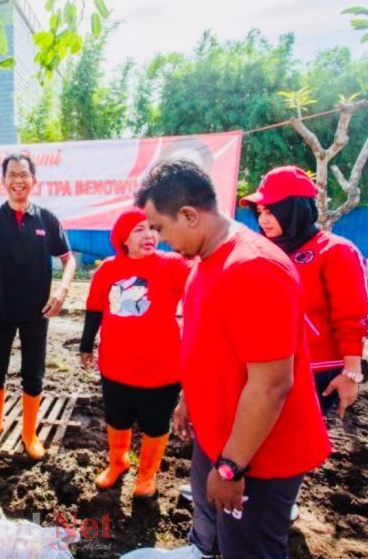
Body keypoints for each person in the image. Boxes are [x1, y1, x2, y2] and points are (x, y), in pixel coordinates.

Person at [132, 160, 330, 559]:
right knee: (210, 524)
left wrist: (231, 468)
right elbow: (209, 342)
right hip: (218, 433)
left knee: (250, 547)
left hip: (259, 455)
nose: (158, 238)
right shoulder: (204, 260)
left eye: (159, 227)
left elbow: (272, 384)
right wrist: (191, 398)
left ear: (189, 215)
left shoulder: (254, 268)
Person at [0, 153, 77, 460]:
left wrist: (61, 290)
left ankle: (29, 432)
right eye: (12, 175)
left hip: (38, 311)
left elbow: (68, 258)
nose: (18, 180)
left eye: (24, 174)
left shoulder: (47, 219)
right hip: (0, 309)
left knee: (33, 373)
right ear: (3, 181)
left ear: (34, 180)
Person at [241, 166, 368, 417]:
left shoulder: (335, 251)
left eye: (271, 211)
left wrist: (351, 374)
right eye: (259, 212)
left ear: (295, 209)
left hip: (316, 370)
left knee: (294, 448)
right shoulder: (262, 250)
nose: (263, 220)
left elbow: (352, 316)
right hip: (265, 365)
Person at [80, 208, 190, 498]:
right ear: (123, 238)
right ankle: (118, 463)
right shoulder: (108, 269)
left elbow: (202, 287)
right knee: (117, 419)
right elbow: (94, 308)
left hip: (161, 368)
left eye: (153, 228)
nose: (149, 235)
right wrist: (85, 344)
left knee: (155, 424)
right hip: (115, 366)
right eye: (139, 230)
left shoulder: (174, 265)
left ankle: (146, 475)